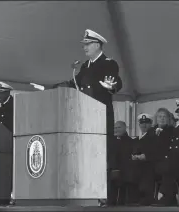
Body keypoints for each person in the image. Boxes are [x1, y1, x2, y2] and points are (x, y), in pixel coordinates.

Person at [53, 29, 122, 206]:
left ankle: (102, 194)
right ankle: (86, 191)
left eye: (88, 44)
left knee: (100, 154)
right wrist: (56, 88)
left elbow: (115, 81)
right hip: (83, 116)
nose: (84, 47)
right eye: (84, 44)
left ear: (98, 45)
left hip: (99, 115)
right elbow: (74, 83)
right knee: (86, 155)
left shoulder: (108, 63)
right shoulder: (85, 66)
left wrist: (111, 86)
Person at [107, 121, 133, 206]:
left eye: (119, 127)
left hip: (124, 172)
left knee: (122, 197)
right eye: (115, 128)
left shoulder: (130, 142)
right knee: (111, 196)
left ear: (125, 128)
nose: (116, 129)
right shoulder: (110, 141)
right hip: (111, 171)